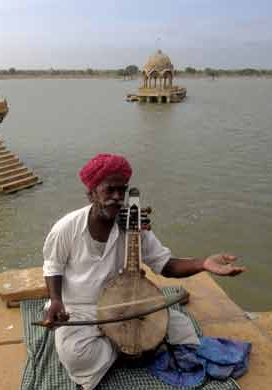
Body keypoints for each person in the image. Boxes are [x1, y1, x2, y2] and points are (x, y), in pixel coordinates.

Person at [42, 153, 245, 390]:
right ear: (92, 193)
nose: (117, 198)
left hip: (129, 304)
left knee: (182, 330)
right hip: (83, 309)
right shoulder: (66, 228)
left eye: (122, 191)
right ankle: (125, 348)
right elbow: (53, 265)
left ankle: (122, 346)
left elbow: (166, 265)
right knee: (75, 354)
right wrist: (56, 300)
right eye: (110, 190)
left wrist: (204, 264)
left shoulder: (135, 225)